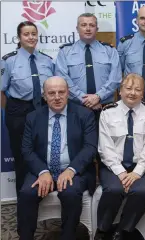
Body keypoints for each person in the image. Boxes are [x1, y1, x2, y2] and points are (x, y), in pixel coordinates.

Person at [18, 76, 98, 240]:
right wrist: (42, 171)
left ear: (68, 93)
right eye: (51, 93)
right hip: (42, 169)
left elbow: (90, 148)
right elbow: (26, 150)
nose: (57, 97)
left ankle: (68, 236)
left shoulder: (85, 115)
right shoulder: (33, 117)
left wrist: (71, 170)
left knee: (70, 193)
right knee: (26, 193)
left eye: (61, 92)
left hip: (74, 170)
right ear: (44, 96)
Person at [95, 73, 145, 240]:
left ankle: (123, 231)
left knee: (142, 191)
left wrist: (137, 172)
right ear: (120, 90)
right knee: (114, 189)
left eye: (137, 89)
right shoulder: (108, 112)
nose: (132, 93)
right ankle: (102, 229)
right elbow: (105, 148)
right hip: (113, 166)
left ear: (143, 92)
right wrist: (121, 172)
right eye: (128, 88)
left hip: (142, 166)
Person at [1, 21, 54, 193]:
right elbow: (1, 91)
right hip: (18, 112)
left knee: (43, 153)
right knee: (22, 156)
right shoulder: (9, 61)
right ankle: (23, 197)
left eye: (33, 34)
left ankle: (44, 194)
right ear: (19, 37)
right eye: (26, 34)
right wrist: (10, 111)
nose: (31, 37)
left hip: (42, 110)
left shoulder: (47, 60)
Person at [55, 13, 121, 113]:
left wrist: (98, 97)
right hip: (76, 107)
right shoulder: (65, 52)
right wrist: (84, 99)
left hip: (105, 107)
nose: (88, 28)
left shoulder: (110, 50)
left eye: (92, 25)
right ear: (77, 28)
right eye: (84, 25)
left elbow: (115, 79)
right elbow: (63, 79)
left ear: (97, 29)